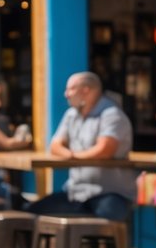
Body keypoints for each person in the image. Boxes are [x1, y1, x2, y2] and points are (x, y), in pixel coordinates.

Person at [25, 71, 135, 222]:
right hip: (75, 192)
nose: (66, 94)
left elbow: (104, 151)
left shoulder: (112, 115)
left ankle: (100, 245)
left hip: (109, 193)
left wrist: (73, 156)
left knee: (105, 223)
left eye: (71, 89)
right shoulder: (72, 115)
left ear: (86, 90)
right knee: (30, 212)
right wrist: (70, 155)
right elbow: (55, 145)